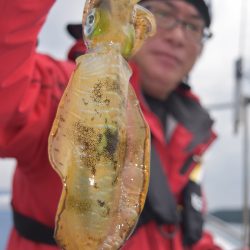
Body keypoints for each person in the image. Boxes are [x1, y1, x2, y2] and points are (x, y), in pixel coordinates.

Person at [0, 0, 221, 249]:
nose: (178, 36)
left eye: (193, 26)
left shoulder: (191, 133)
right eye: (163, 13)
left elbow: (180, 229)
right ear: (131, 22)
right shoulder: (58, 89)